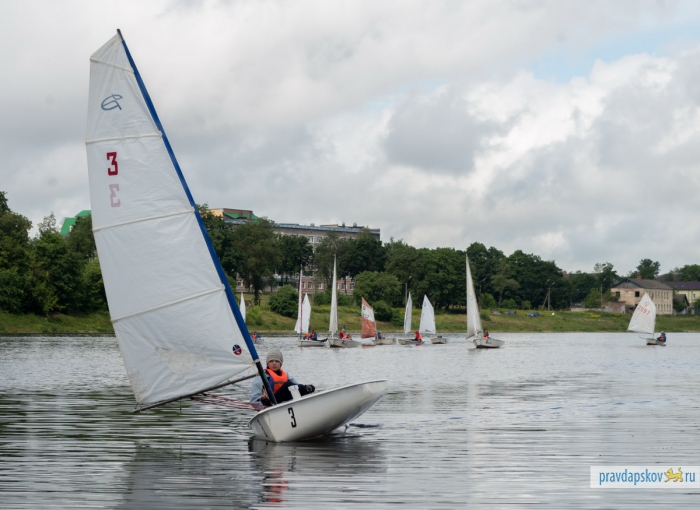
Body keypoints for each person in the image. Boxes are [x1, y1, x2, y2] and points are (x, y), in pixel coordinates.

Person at [250, 349, 315, 407]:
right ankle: (306, 388)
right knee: (288, 385)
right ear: (267, 363)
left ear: (281, 363)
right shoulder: (261, 378)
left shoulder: (286, 375)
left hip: (283, 403)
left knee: (294, 387)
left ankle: (308, 389)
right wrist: (263, 408)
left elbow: (296, 387)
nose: (274, 363)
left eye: (277, 361)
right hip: (270, 403)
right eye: (271, 361)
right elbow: (254, 400)